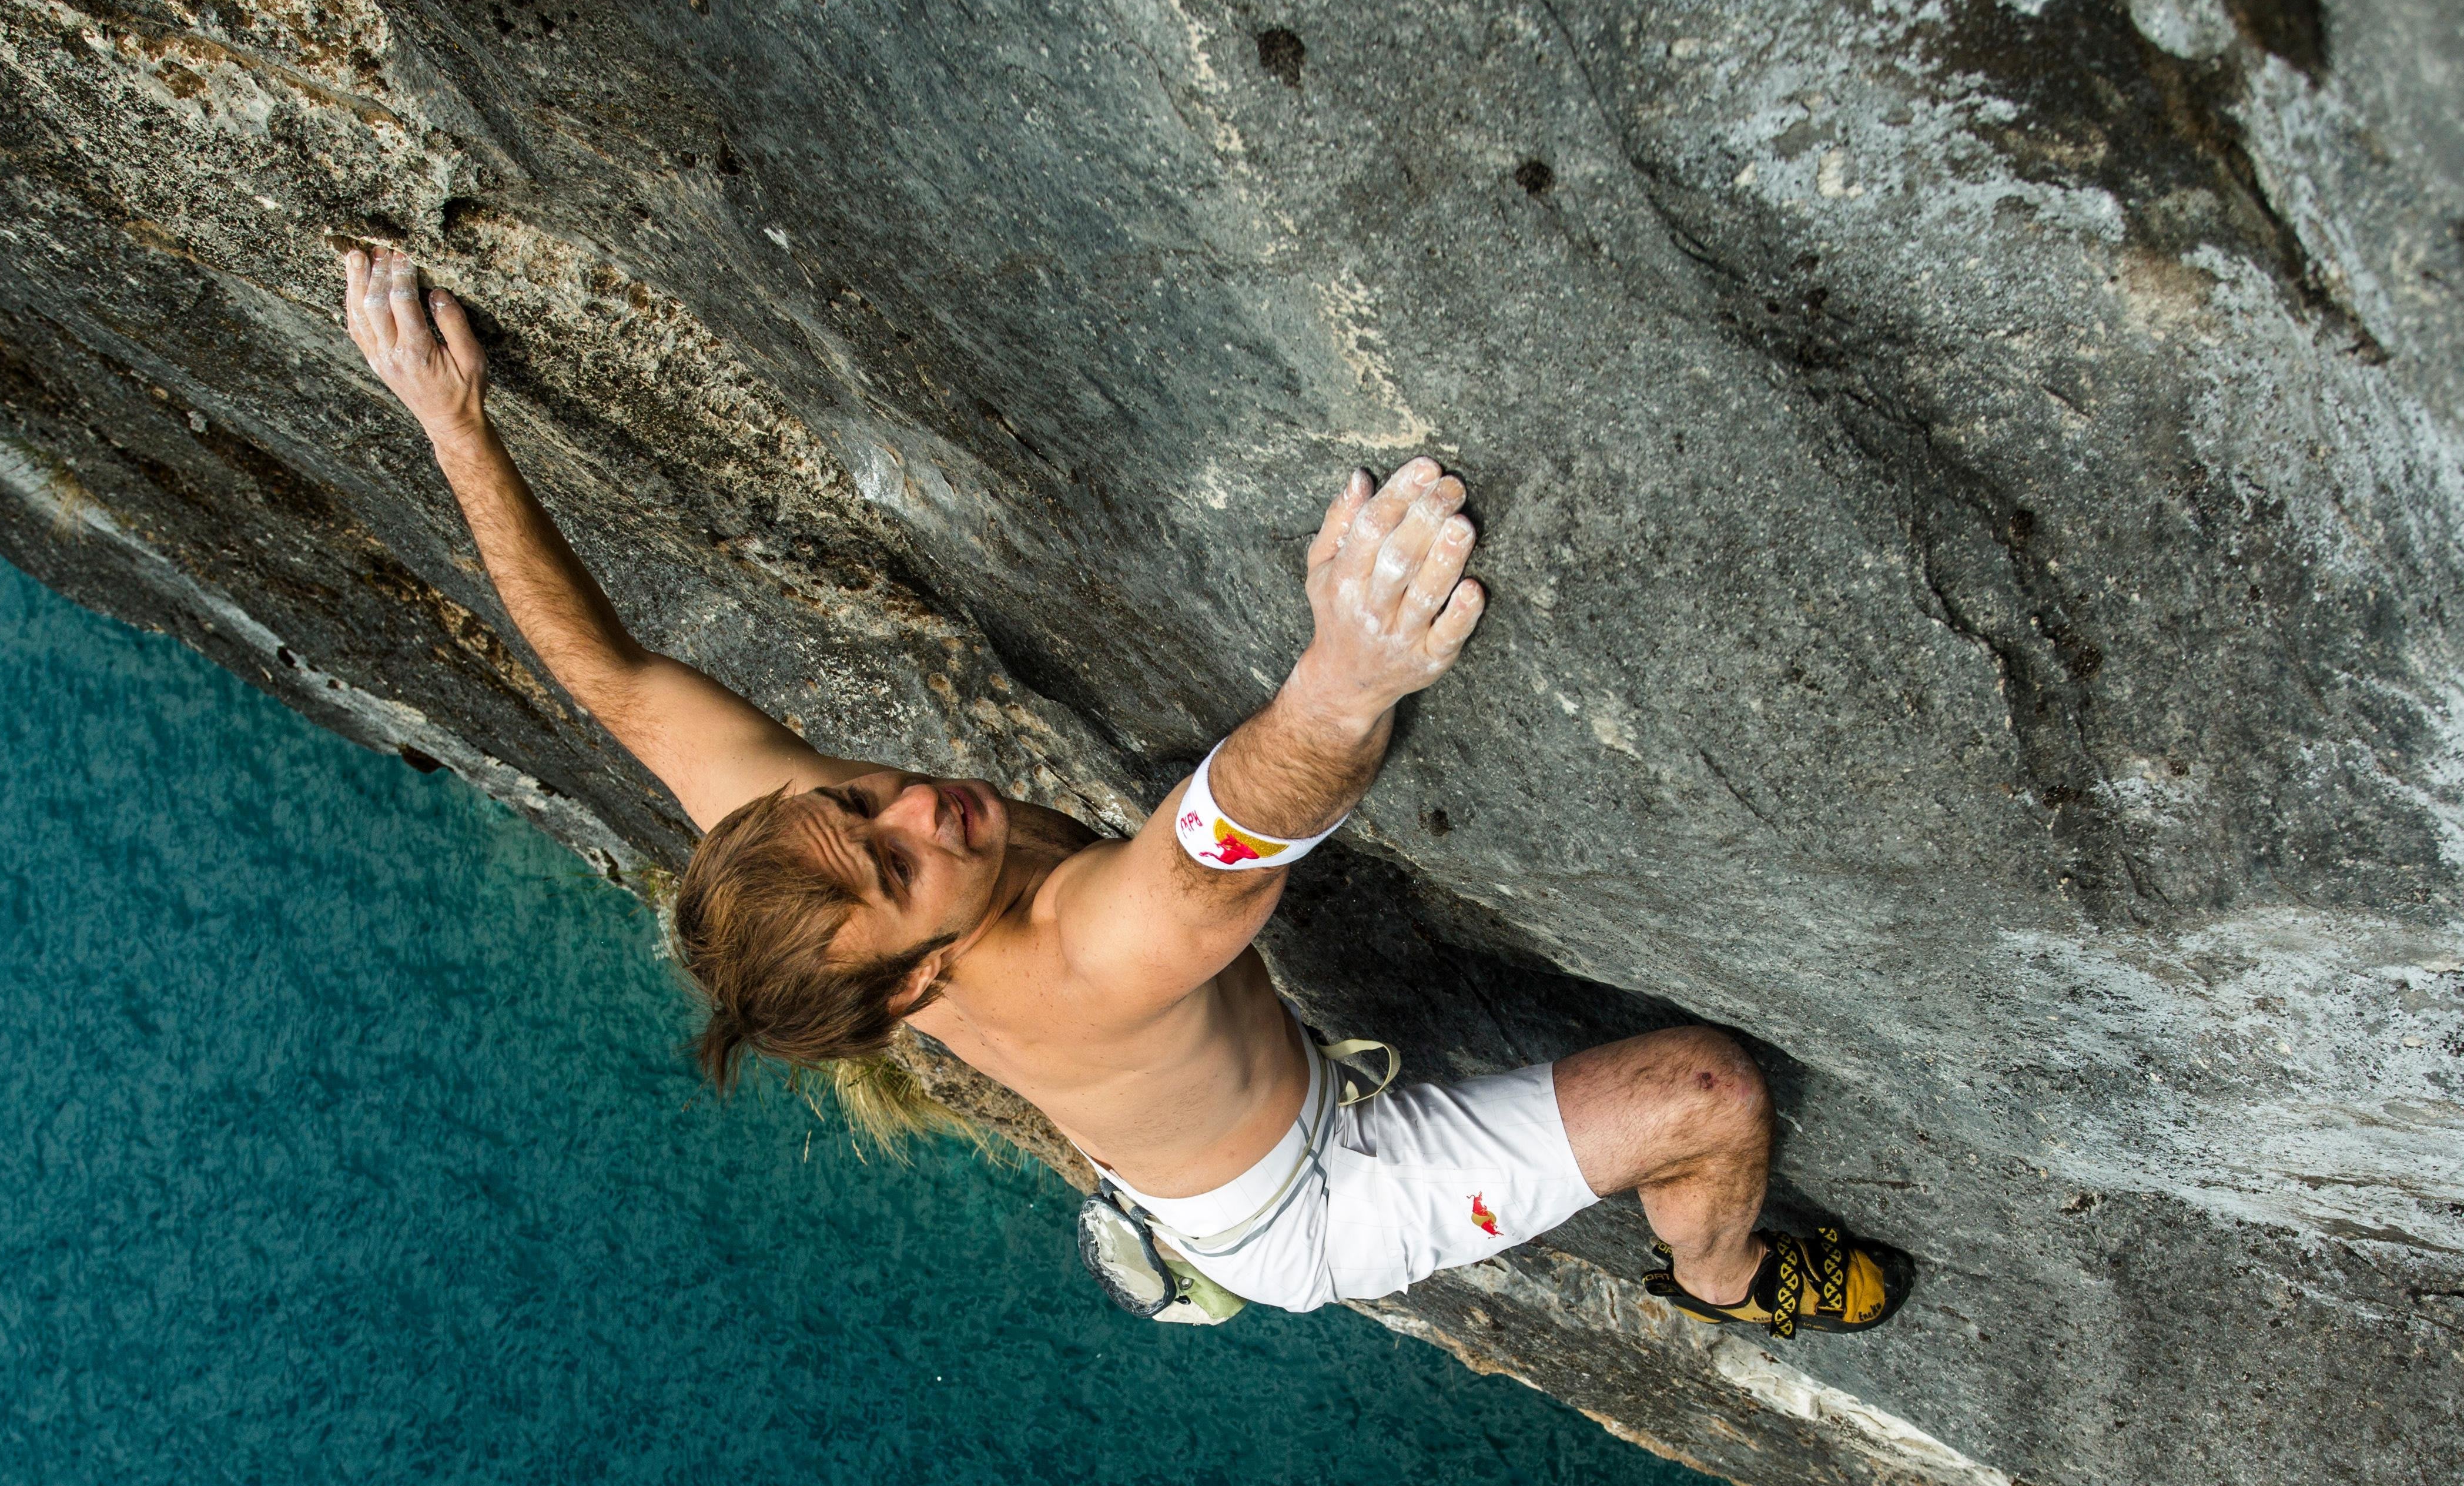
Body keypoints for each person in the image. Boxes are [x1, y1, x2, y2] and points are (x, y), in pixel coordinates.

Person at [342, 248, 1902, 1334]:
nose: (926, 810)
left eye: (867, 799)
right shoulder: (1087, 956)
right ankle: (1720, 1287)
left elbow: (608, 680)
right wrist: (1345, 675)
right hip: (1316, 1203)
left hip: (1175, 1123)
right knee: (1713, 1102)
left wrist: (449, 420)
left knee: (1145, 1119)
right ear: (914, 991)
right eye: (899, 869)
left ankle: (1156, 1226)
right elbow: (1233, 832)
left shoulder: (809, 879)